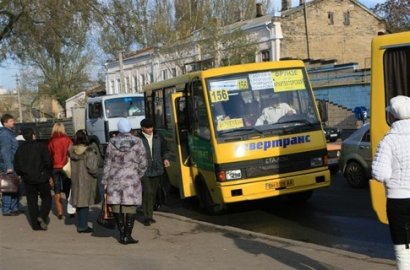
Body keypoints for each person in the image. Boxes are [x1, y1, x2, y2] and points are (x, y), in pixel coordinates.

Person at [372, 95, 410, 269]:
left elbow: (380, 174)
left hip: (398, 201)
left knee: (403, 250)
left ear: (392, 117)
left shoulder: (388, 141)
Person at [102, 118, 147, 244]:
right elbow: (143, 162)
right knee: (131, 206)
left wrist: (105, 180)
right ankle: (128, 235)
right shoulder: (138, 142)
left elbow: (107, 163)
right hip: (131, 178)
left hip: (114, 178)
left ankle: (122, 234)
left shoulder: (111, 142)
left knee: (116, 206)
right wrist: (138, 174)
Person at [14, 128, 52, 230]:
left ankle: (35, 225)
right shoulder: (41, 146)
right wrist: (47, 174)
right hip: (41, 177)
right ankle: (42, 215)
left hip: (28, 178)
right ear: (33, 135)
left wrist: (22, 174)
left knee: (32, 201)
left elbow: (16, 165)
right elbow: (48, 162)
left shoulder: (20, 149)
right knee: (47, 198)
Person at [138, 118, 170, 226]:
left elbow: (165, 149)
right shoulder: (138, 139)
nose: (150, 129)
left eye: (151, 127)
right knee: (148, 191)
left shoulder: (158, 137)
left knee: (154, 192)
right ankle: (147, 217)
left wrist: (165, 159)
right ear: (142, 128)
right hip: (144, 170)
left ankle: (149, 214)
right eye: (147, 127)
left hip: (157, 168)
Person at [69, 130, 99, 233]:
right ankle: (82, 226)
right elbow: (92, 168)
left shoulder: (72, 150)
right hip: (86, 180)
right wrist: (96, 175)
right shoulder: (90, 151)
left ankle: (81, 224)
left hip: (75, 179)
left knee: (79, 203)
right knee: (84, 204)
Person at [48, 122, 72, 219]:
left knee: (56, 189)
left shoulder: (51, 141)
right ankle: (70, 210)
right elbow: (71, 152)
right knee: (68, 189)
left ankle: (60, 211)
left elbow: (49, 155)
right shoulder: (67, 140)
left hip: (54, 167)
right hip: (65, 167)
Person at [0, 114, 20, 216]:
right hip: (9, 164)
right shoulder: (5, 134)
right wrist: (9, 167)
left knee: (14, 185)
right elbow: (5, 151)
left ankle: (14, 207)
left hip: (12, 163)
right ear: (5, 123)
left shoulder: (9, 133)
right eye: (11, 121)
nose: (13, 122)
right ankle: (7, 209)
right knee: (8, 186)